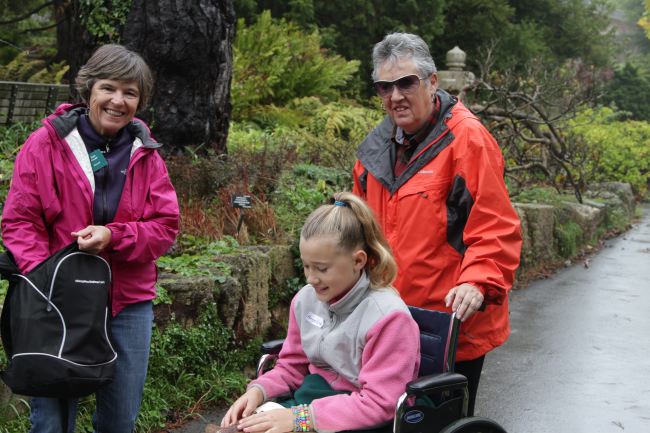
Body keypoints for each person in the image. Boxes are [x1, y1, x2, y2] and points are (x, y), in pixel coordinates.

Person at [1, 44, 179, 433]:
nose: (118, 100)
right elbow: (20, 220)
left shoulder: (146, 153)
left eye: (130, 92)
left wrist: (114, 236)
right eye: (108, 88)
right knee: (51, 421)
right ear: (88, 89)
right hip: (57, 302)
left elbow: (165, 226)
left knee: (119, 419)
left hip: (127, 303)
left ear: (140, 101)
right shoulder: (46, 143)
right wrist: (47, 279)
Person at [353, 33, 522, 416]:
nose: (395, 96)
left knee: (442, 422)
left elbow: (495, 226)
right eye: (385, 86)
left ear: (432, 82)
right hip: (388, 321)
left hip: (448, 326)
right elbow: (359, 230)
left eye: (406, 82)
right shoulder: (375, 147)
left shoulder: (468, 141)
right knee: (389, 418)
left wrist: (476, 282)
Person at [220, 192, 420, 433]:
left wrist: (300, 419)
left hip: (367, 418)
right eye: (306, 266)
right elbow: (292, 366)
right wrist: (258, 390)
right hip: (314, 398)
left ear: (358, 261)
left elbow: (380, 403)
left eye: (322, 269)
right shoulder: (305, 300)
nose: (311, 278)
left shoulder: (390, 318)